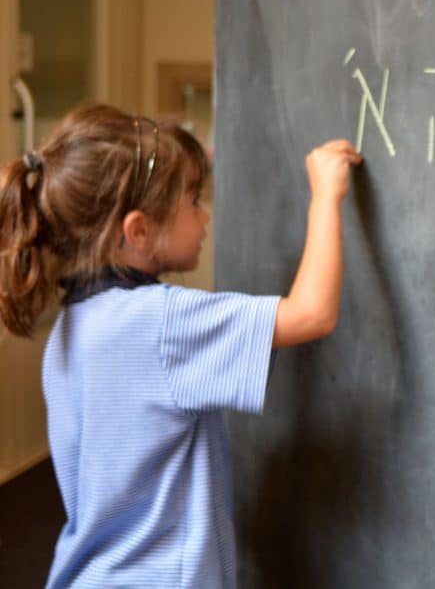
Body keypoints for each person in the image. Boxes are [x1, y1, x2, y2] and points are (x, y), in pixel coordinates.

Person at [0, 103, 362, 588]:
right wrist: (325, 195)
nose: (204, 214)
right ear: (138, 231)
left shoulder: (72, 329)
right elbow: (313, 312)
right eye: (192, 200)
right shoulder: (160, 322)